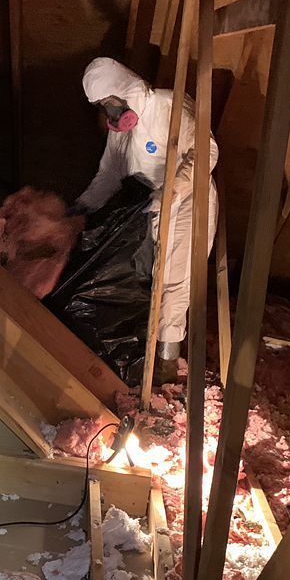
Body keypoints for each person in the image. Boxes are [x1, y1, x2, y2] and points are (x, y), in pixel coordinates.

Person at [70, 57, 219, 384]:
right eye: (103, 107)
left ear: (124, 88)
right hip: (149, 206)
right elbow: (109, 175)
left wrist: (171, 191)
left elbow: (206, 151)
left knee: (173, 281)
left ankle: (166, 365)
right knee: (147, 280)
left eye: (111, 103)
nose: (111, 112)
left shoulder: (167, 106)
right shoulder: (121, 132)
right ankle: (143, 355)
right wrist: (83, 206)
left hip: (188, 201)